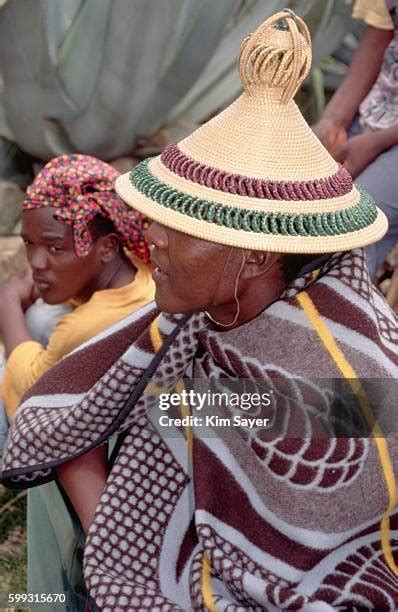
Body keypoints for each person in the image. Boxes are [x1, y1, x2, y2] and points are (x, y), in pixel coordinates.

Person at [2, 11, 398, 610]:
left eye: (181, 224)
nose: (151, 236)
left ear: (258, 251)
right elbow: (179, 411)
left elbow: (312, 575)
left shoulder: (337, 386)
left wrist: (97, 508)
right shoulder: (233, 311)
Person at [0, 153, 154, 610]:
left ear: (107, 247)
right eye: (29, 245)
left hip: (53, 437)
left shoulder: (87, 330)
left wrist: (9, 303)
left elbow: (33, 396)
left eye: (54, 248)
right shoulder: (143, 282)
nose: (37, 263)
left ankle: (51, 595)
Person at [315, 0, 398, 278]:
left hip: (388, 139)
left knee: (352, 228)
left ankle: (335, 313)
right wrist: (333, 122)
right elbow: (377, 40)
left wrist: (377, 142)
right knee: (298, 199)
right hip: (375, 114)